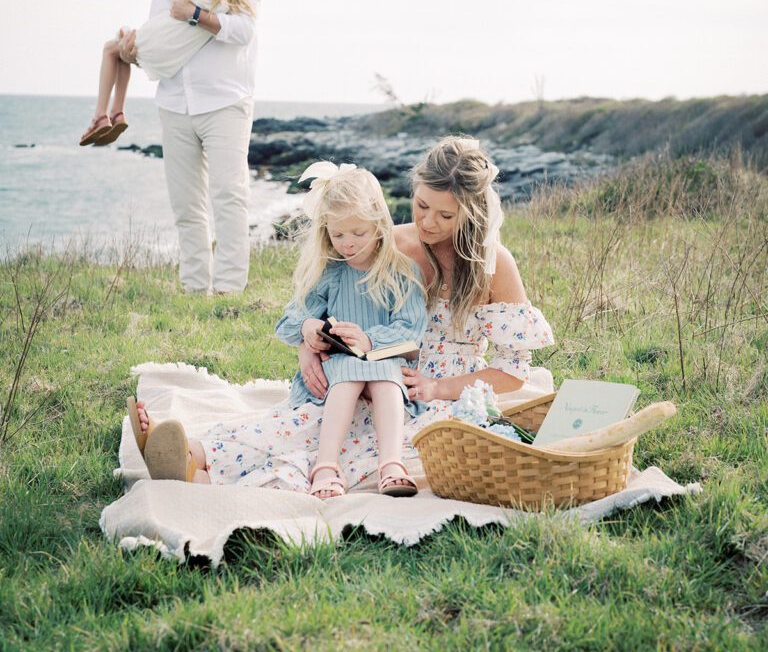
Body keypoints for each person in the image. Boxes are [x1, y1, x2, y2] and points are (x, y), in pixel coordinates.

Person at [127, 136, 554, 491]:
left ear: (473, 213)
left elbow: (513, 371)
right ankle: (188, 449)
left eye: (445, 215)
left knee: (347, 443)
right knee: (304, 420)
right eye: (421, 205)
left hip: (428, 396)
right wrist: (307, 349)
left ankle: (200, 473)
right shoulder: (392, 245)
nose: (427, 222)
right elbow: (318, 303)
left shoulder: (492, 266)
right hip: (359, 371)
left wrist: (440, 388)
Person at [117, 0, 259, 295]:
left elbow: (244, 31)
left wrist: (196, 15)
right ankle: (195, 289)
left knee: (229, 195)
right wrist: (132, 54)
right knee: (186, 204)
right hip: (175, 106)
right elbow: (158, 53)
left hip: (225, 104)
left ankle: (229, 288)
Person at [275, 163, 426, 498]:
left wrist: (371, 339)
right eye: (338, 234)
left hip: (384, 361)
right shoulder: (329, 273)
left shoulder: (399, 271)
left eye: (358, 233)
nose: (348, 243)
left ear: (378, 224)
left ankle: (392, 464)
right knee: (348, 370)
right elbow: (289, 320)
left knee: (384, 371)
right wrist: (308, 327)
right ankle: (326, 466)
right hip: (338, 370)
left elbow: (412, 330)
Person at [79, 0, 254, 147]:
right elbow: (164, 44)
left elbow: (243, 30)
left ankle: (104, 115)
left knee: (110, 48)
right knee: (121, 49)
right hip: (173, 94)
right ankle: (115, 113)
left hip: (218, 101)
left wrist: (192, 12)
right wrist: (131, 56)